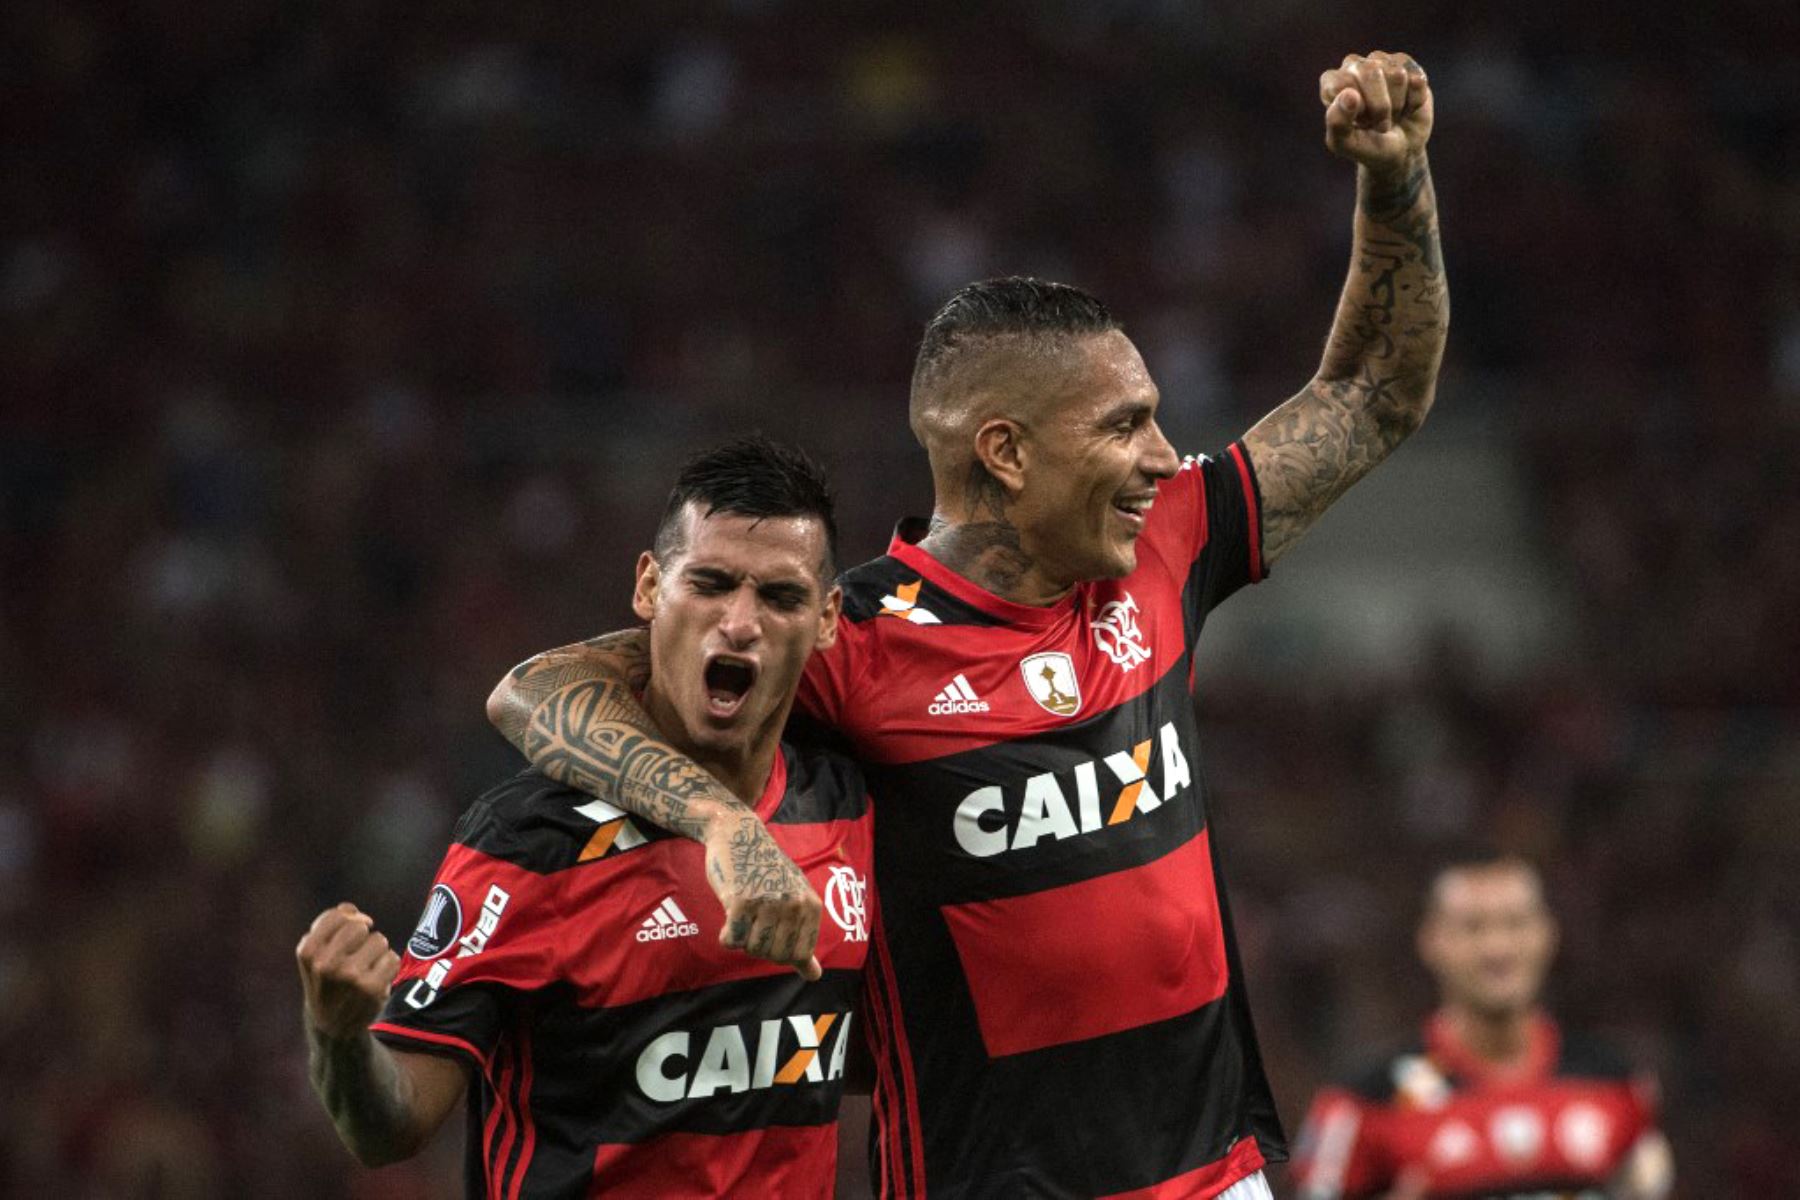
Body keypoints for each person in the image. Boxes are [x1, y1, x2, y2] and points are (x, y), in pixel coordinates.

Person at [486, 50, 1448, 1199]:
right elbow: (537, 690)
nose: (1158, 456)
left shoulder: (1163, 546)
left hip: (1215, 1176)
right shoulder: (844, 638)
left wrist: (1396, 179)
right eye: (1124, 426)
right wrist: (720, 825)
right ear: (1004, 453)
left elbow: (1374, 392)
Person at [295, 438, 877, 1198]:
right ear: (647, 586)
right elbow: (389, 1126)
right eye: (710, 583)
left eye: (779, 596)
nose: (739, 622)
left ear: (829, 619)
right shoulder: (533, 840)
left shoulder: (848, 805)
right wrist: (337, 1035)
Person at [1288, 854, 1674, 1200]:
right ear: (1431, 941)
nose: (1497, 949)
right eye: (1473, 927)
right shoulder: (1364, 1102)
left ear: (1547, 934)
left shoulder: (1613, 1082)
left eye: (1515, 923)